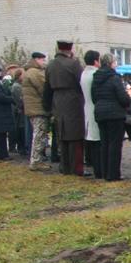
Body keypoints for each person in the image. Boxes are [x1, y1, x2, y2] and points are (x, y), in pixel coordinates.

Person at [44, 40, 86, 176]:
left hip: (57, 101)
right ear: (69, 50)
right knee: (75, 136)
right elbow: (82, 82)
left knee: (61, 135)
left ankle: (65, 166)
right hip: (73, 100)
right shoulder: (73, 64)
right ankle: (76, 168)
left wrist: (47, 106)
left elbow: (47, 88)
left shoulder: (50, 65)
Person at [90, 53, 131, 181]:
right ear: (111, 63)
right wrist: (129, 98)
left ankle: (105, 172)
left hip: (100, 113)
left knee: (104, 143)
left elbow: (93, 97)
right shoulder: (114, 77)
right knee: (115, 144)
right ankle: (113, 174)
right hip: (115, 114)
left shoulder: (96, 77)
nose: (116, 64)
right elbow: (122, 98)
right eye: (115, 62)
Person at [23, 52, 50, 170]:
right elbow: (44, 88)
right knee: (39, 136)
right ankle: (35, 161)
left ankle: (36, 160)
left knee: (38, 135)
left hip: (33, 108)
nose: (44, 62)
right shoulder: (34, 72)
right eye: (42, 60)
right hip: (37, 108)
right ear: (36, 59)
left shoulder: (28, 71)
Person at [80, 50, 102, 179]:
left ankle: (93, 163)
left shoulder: (83, 74)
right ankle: (98, 168)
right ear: (96, 61)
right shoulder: (94, 74)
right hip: (94, 108)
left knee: (91, 138)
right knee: (96, 139)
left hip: (87, 108)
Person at [9, 68, 26, 156]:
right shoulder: (16, 87)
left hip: (19, 111)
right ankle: (21, 147)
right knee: (20, 129)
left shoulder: (19, 86)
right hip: (19, 112)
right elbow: (19, 101)